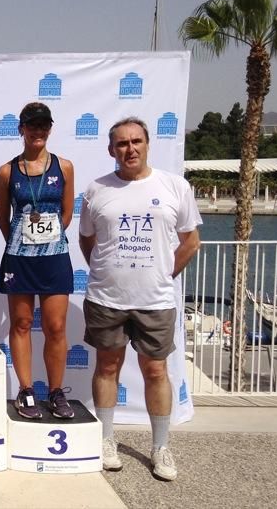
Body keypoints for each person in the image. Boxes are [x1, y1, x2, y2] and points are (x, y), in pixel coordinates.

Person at [79, 117, 201, 481]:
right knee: (107, 368)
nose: (129, 148)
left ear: (147, 144)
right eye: (121, 143)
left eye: (135, 141)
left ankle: (161, 447)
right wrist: (106, 271)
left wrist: (163, 275)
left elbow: (190, 242)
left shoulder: (174, 186)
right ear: (110, 149)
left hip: (156, 301)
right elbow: (87, 240)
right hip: (106, 298)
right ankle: (106, 440)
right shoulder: (96, 189)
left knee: (155, 370)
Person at [0, 103, 75, 420]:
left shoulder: (64, 167)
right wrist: (20, 239)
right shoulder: (7, 171)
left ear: (50, 129)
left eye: (44, 126)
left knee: (55, 327)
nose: (38, 131)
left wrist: (48, 238)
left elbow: (66, 213)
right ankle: (26, 390)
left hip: (54, 256)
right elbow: (4, 217)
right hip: (19, 258)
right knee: (22, 324)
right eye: (32, 125)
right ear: (21, 129)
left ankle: (56, 392)